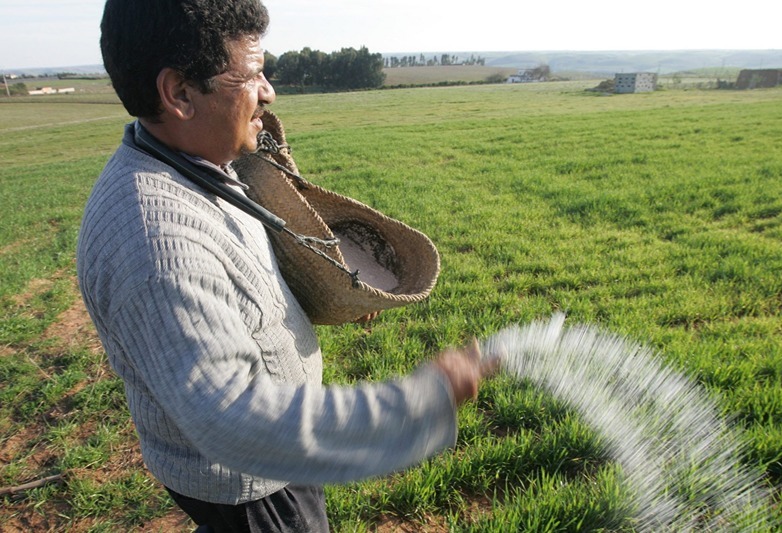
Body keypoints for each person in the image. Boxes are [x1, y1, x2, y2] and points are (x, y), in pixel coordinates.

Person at [77, 1, 493, 531]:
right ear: (179, 93)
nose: (269, 91)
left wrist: (324, 289)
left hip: (263, 466)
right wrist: (416, 401)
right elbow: (239, 421)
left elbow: (238, 267)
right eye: (253, 75)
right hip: (251, 483)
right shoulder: (156, 242)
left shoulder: (198, 164)